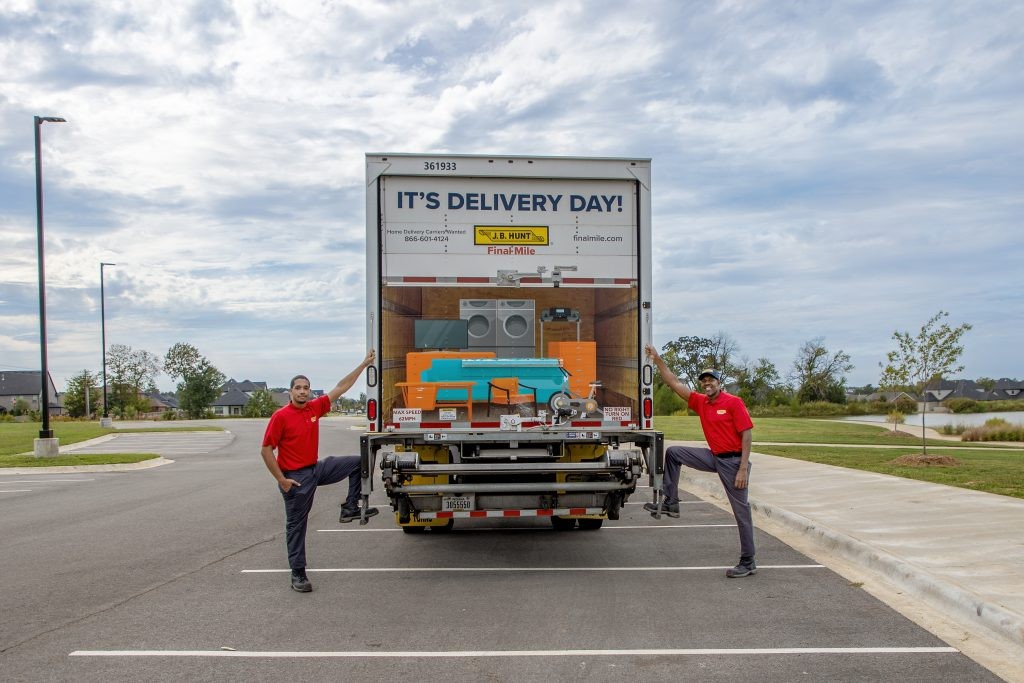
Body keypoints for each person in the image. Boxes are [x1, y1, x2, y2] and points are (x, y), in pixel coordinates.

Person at [261, 350, 379, 593]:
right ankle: (298, 574)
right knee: (297, 526)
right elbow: (266, 450)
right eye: (298, 387)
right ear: (290, 391)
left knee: (358, 461)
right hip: (295, 479)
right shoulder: (281, 417)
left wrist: (364, 363)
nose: (303, 391)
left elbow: (341, 387)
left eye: (306, 387)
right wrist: (282, 480)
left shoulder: (313, 409)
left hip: (315, 469)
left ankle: (349, 508)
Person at [644, 344, 757, 578]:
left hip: (734, 463)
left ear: (719, 383)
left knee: (741, 512)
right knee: (674, 452)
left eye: (711, 380)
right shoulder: (701, 402)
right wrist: (658, 360)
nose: (707, 384)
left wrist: (743, 468)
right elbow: (674, 383)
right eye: (704, 381)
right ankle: (671, 502)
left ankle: (748, 561)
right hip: (714, 457)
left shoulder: (733, 402)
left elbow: (747, 434)